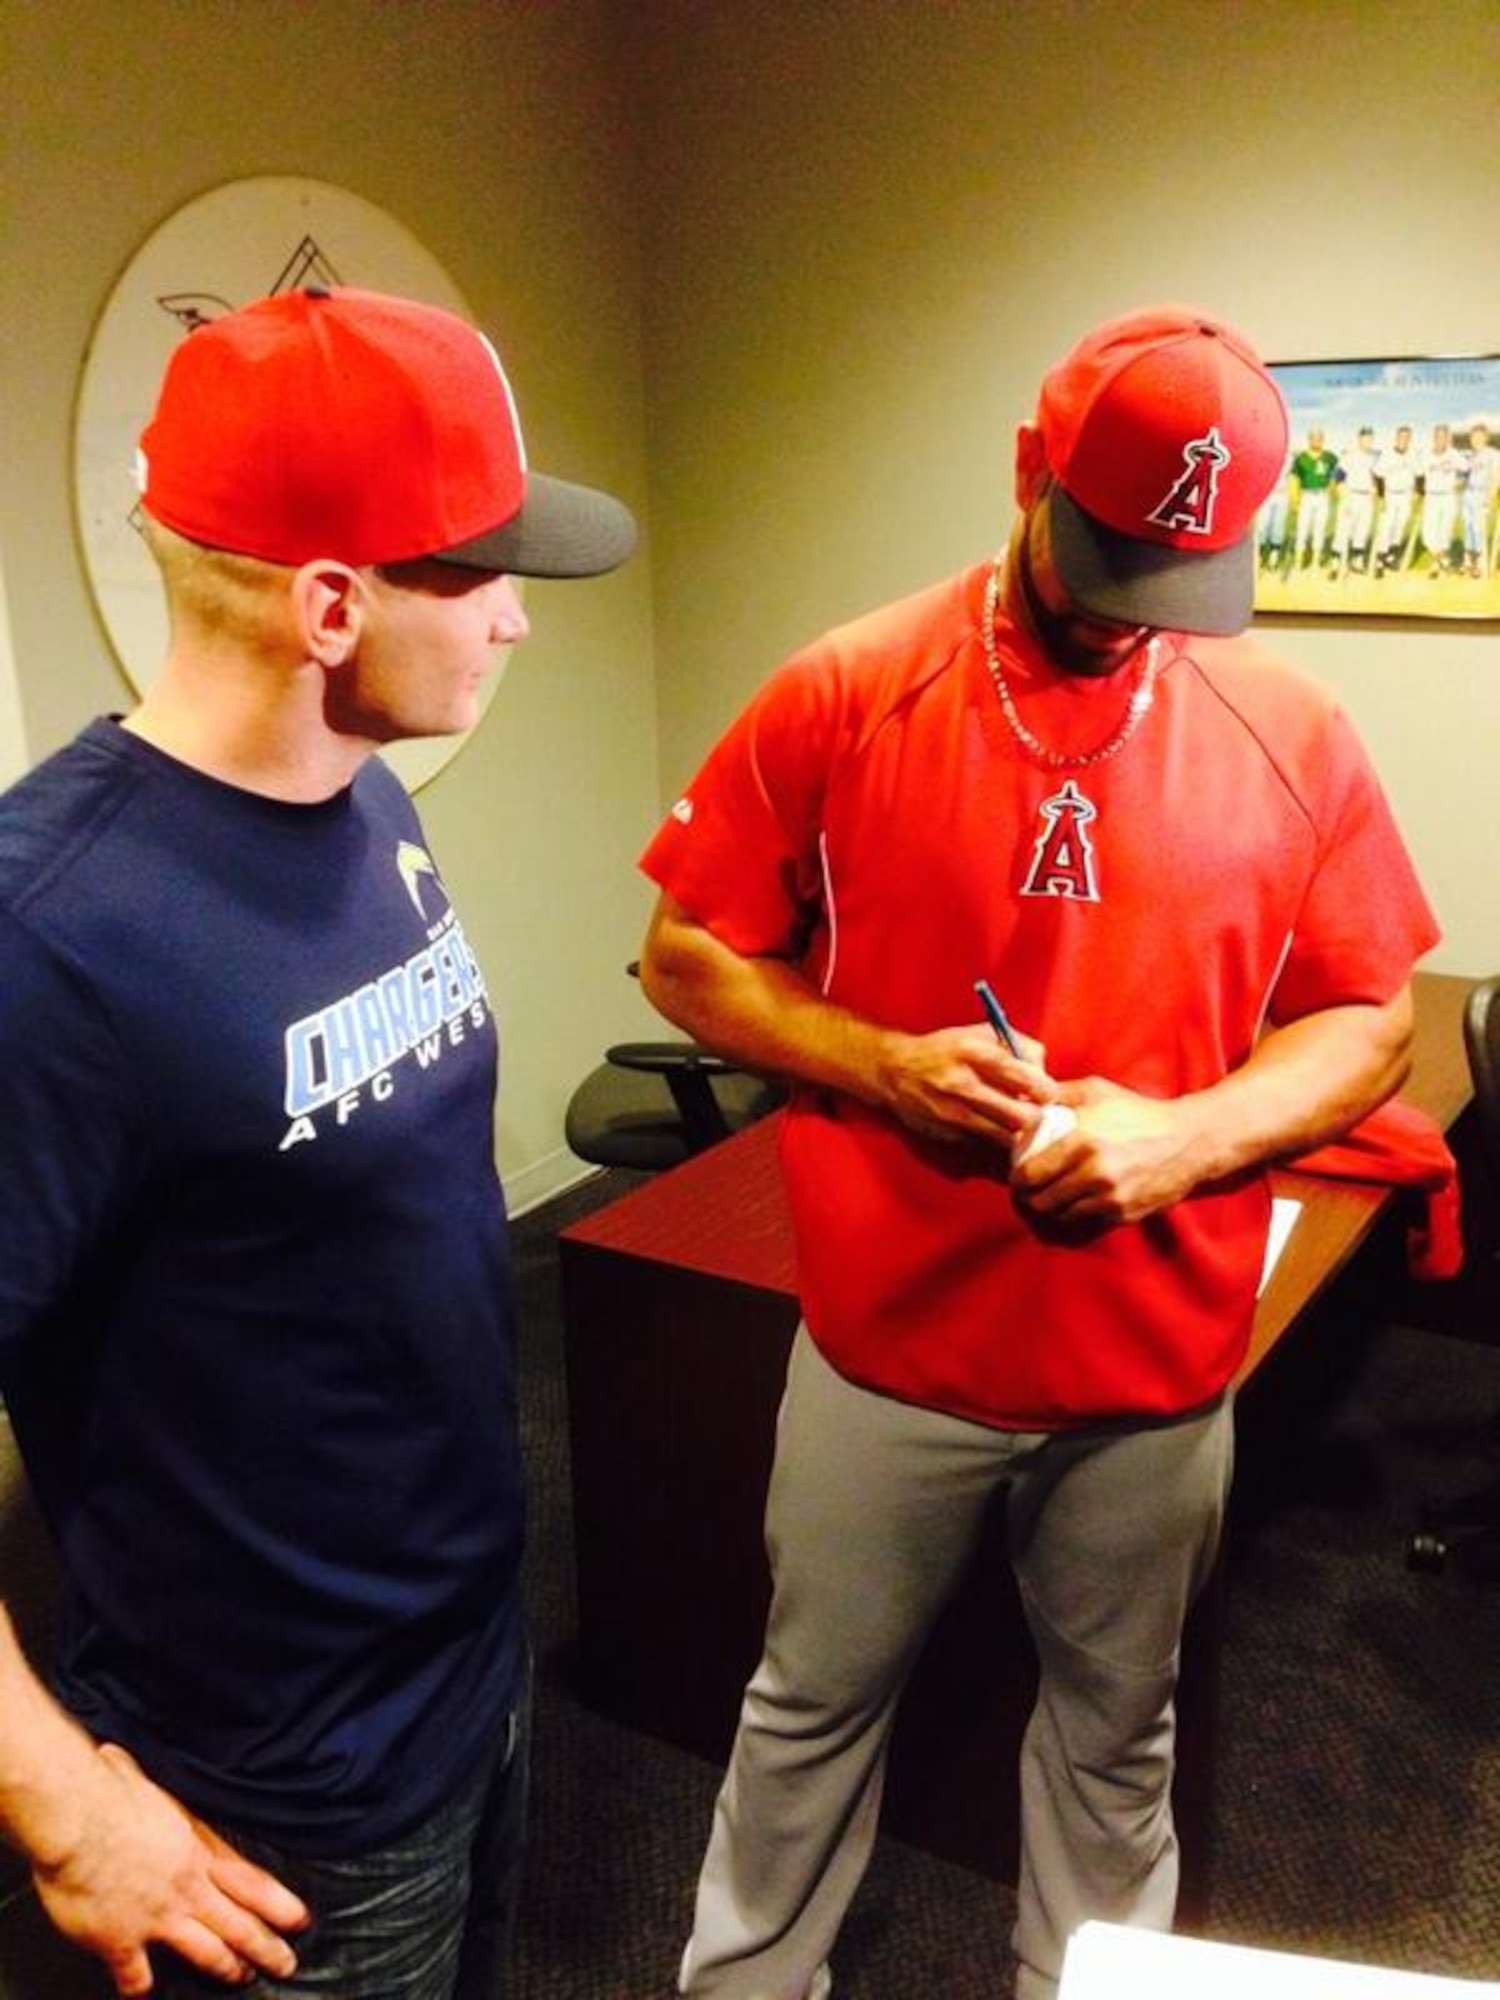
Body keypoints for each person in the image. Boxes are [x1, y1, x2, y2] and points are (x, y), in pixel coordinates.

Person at [636, 304, 1438, 2000]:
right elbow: (685, 954)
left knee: (1113, 1738)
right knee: (806, 1711)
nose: (1132, 613)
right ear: (1028, 475)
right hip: (890, 1347)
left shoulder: (1292, 733)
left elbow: (1367, 1020)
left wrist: (1184, 1135)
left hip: (1153, 1368)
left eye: (1178, 572)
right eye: (1103, 558)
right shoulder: (853, 684)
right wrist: (877, 1064)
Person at [0, 286, 634, 1998]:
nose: (515, 623)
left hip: (461, 1668)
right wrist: (59, 1806)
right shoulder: (47, 940)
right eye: (482, 576)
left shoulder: (363, 793)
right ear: (331, 604)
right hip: (264, 1792)